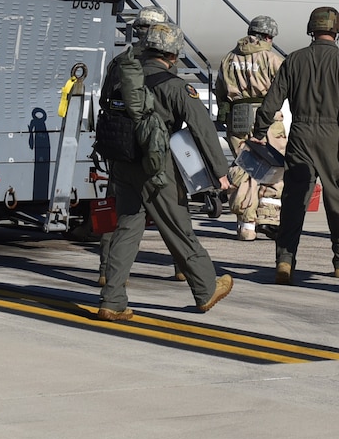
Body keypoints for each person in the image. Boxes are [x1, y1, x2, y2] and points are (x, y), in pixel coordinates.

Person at [94, 22, 235, 321]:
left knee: (127, 230)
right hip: (157, 167)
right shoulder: (176, 86)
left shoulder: (124, 76)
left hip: (123, 163)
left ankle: (112, 299)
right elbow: (203, 130)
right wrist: (220, 172)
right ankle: (207, 287)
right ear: (173, 55)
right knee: (177, 226)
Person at [253, 6, 339, 283]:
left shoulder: (293, 60)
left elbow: (273, 99)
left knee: (294, 200)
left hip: (301, 134)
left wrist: (259, 130)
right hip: (333, 136)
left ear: (311, 30)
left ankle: (284, 260)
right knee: (337, 200)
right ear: (336, 30)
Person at [217, 15, 287, 241]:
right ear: (268, 36)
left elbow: (220, 92)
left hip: (238, 121)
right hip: (267, 122)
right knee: (274, 166)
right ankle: (269, 218)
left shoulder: (228, 58)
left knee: (244, 170)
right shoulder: (272, 59)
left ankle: (246, 224)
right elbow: (286, 88)